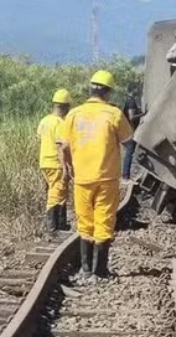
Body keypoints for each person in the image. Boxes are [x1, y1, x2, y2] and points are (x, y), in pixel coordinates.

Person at [56, 70, 133, 282]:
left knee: (85, 222)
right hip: (107, 178)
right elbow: (128, 141)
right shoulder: (114, 114)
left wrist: (68, 166)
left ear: (90, 90)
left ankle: (86, 269)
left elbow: (63, 146)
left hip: (82, 178)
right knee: (104, 220)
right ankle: (100, 271)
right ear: (107, 93)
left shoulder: (73, 115)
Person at [37, 89, 72, 235]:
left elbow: (39, 139)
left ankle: (60, 224)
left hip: (44, 163)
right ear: (65, 106)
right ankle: (53, 228)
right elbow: (59, 146)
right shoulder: (60, 123)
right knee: (56, 194)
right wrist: (65, 167)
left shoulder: (44, 120)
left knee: (59, 192)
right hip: (55, 164)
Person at [120, 82, 142, 180]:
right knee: (129, 153)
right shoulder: (131, 101)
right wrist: (143, 114)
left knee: (130, 153)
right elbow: (131, 117)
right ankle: (126, 176)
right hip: (131, 132)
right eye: (137, 88)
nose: (138, 90)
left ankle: (126, 175)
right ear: (133, 90)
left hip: (128, 131)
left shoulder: (128, 100)